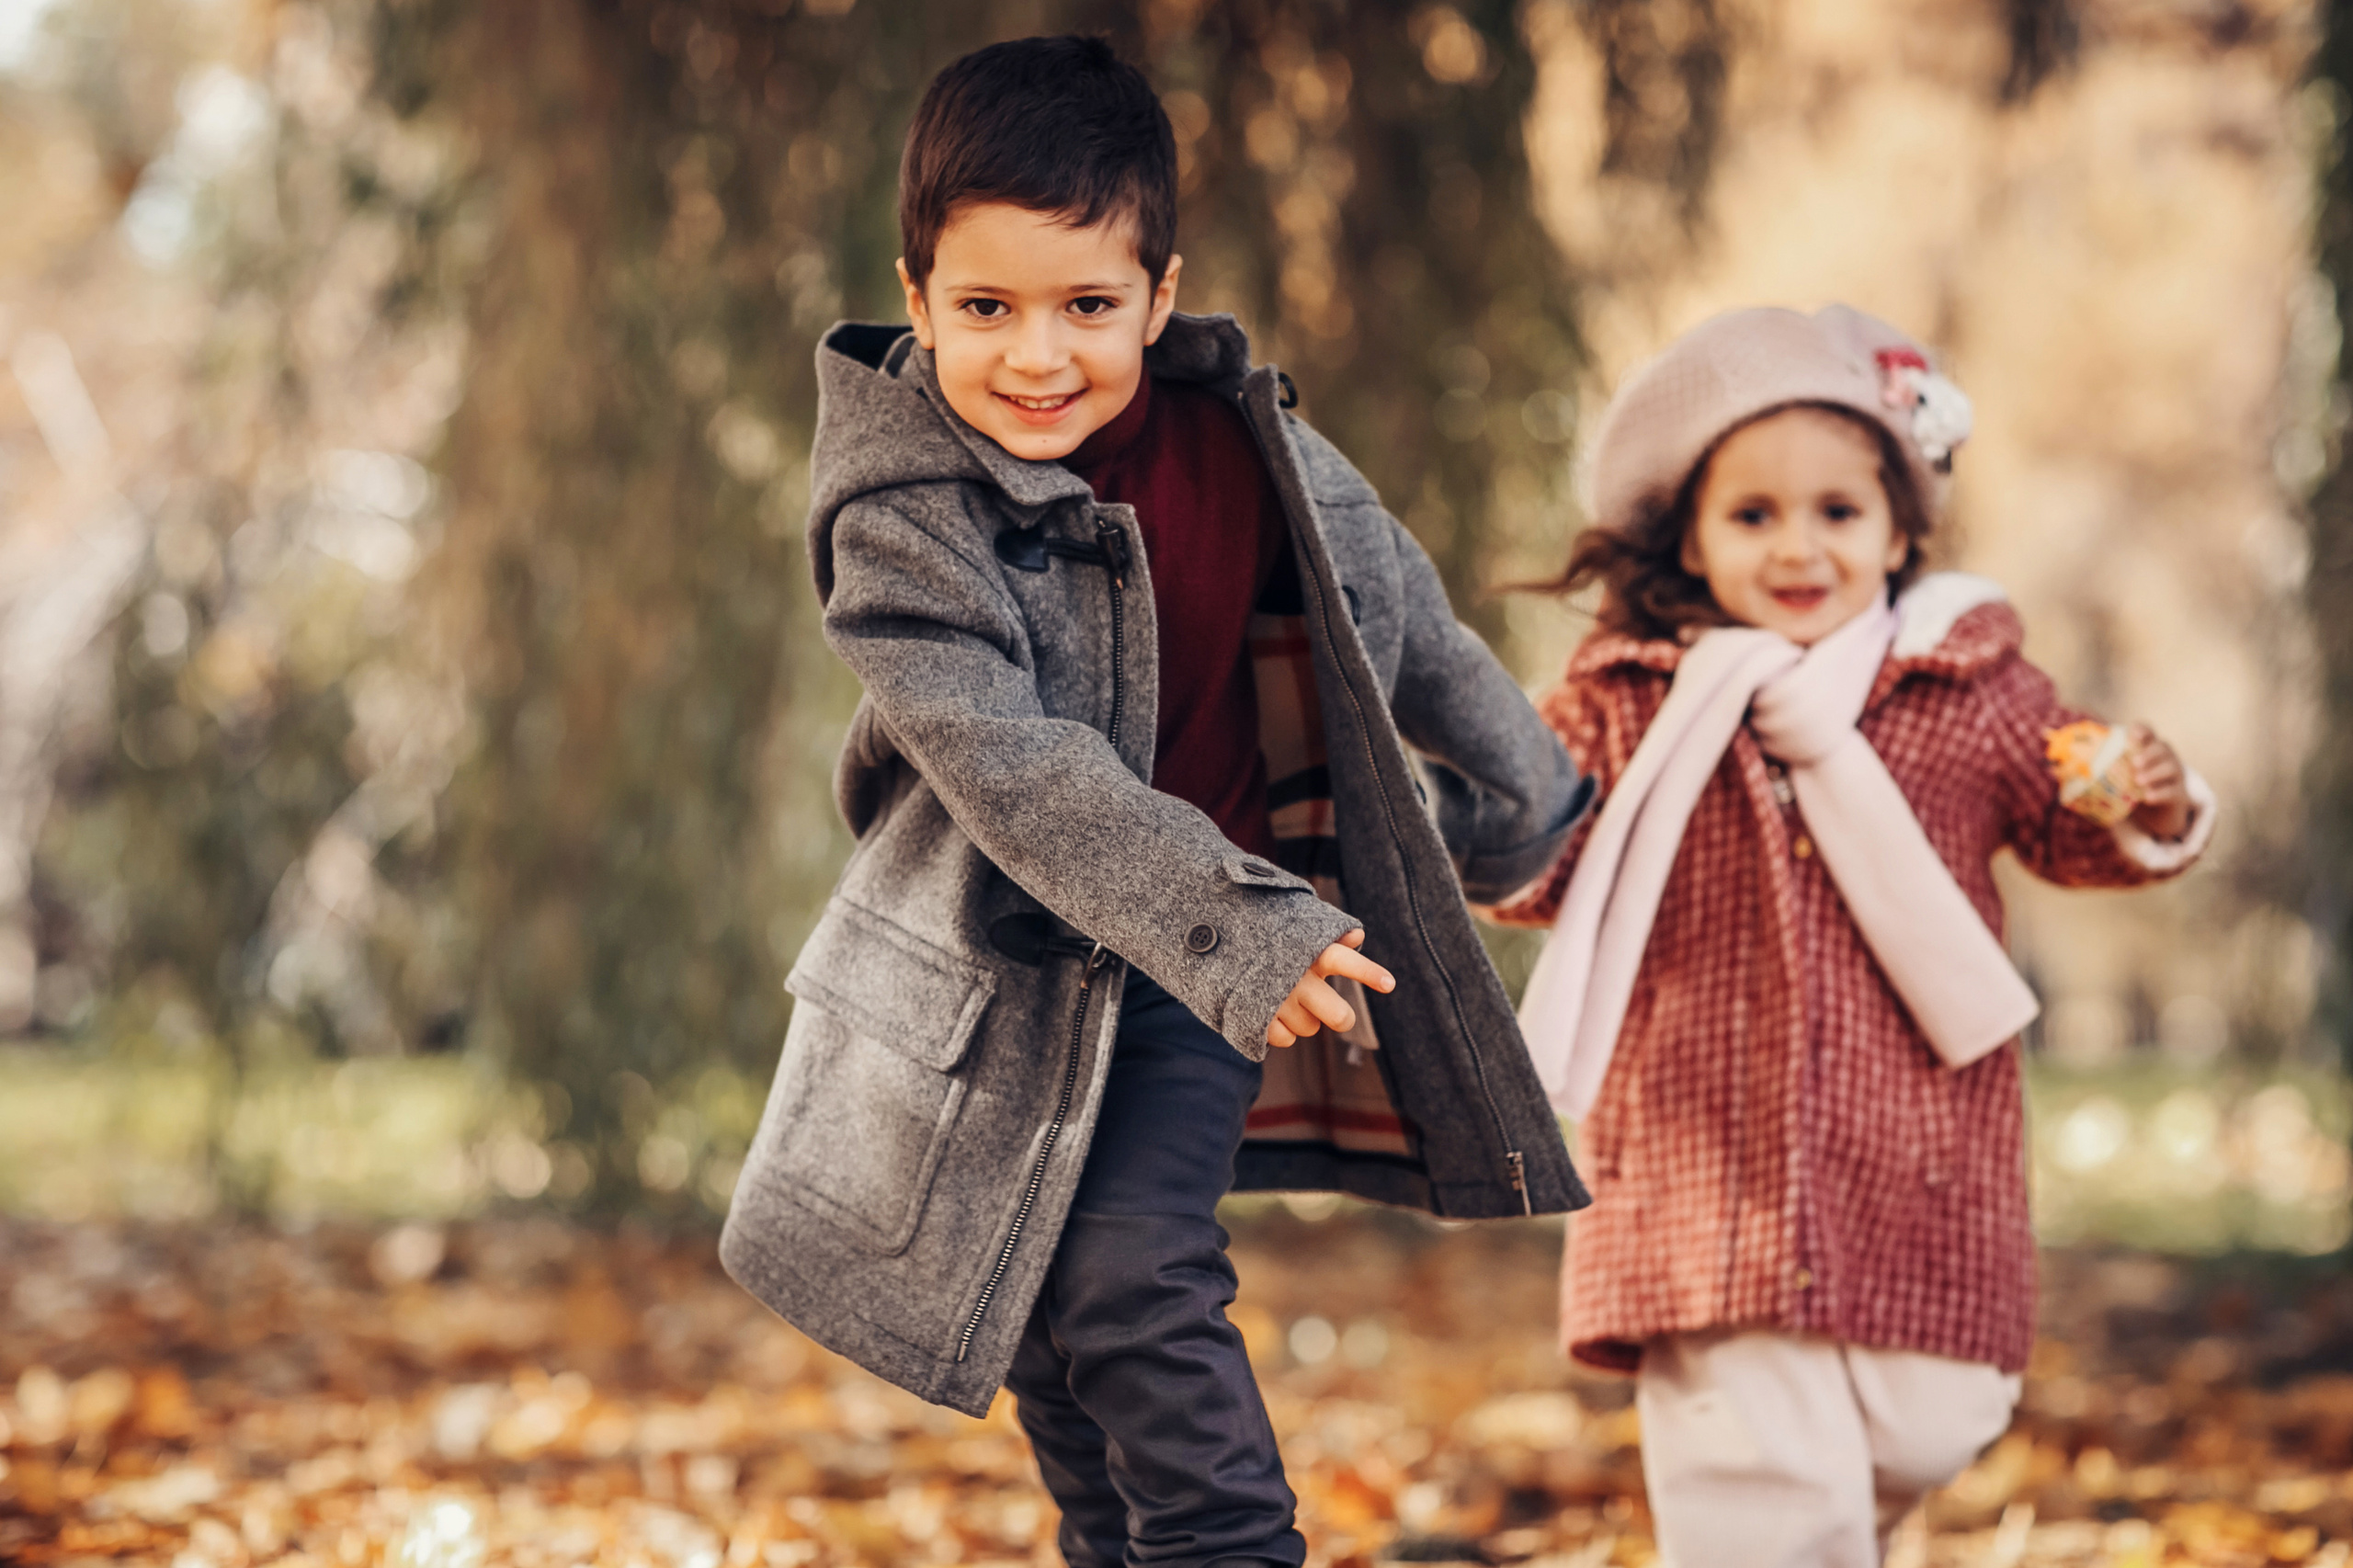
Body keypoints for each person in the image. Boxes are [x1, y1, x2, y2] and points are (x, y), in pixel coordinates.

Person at [720, 36, 1595, 1568]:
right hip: (1008, 965)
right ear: (915, 299)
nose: (1037, 355)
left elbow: (1416, 631)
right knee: (1047, 1315)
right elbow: (1010, 761)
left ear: (1159, 294)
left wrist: (1535, 810)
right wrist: (1244, 923)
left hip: (1202, 959)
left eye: (1087, 307)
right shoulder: (899, 514)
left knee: (1130, 1267)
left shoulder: (1259, 455)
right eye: (985, 308)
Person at [1490, 305, 2212, 1568]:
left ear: (1898, 527)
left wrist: (2142, 799)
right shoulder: (1631, 697)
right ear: (1693, 539)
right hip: (1708, 1186)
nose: (1799, 546)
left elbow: (2065, 816)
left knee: (1921, 1431)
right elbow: (1533, 848)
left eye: (1836, 511)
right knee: (1759, 1484)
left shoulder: (1967, 689)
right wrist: (1471, 806)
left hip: (1921, 1168)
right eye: (1754, 515)